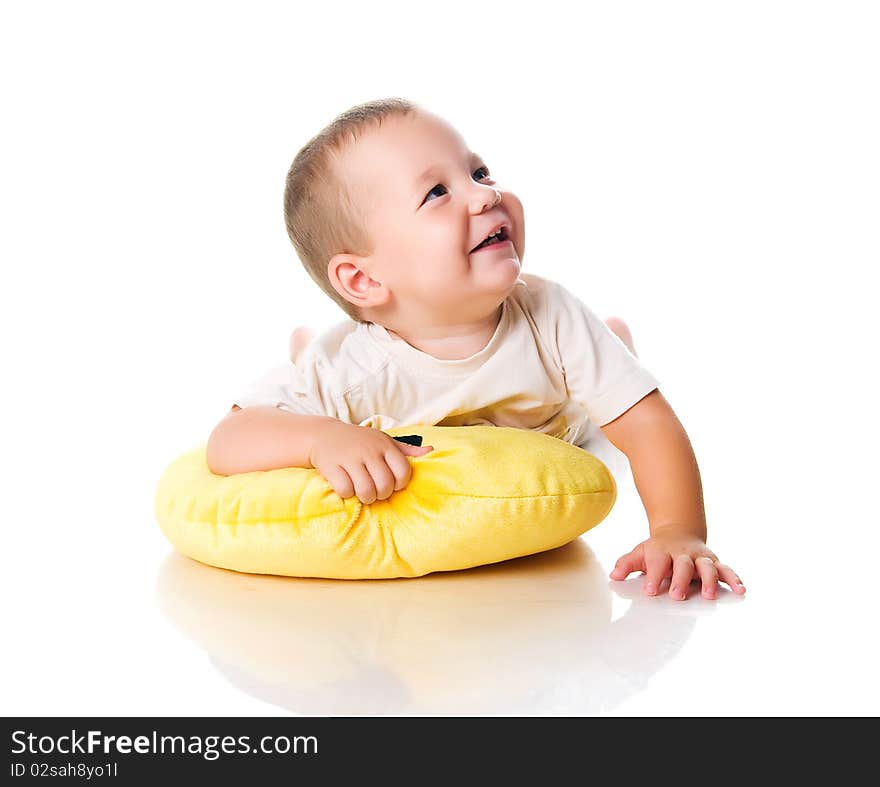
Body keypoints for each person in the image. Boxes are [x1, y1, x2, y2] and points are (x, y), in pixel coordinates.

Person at [206, 98, 745, 602]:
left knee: (603, 378)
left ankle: (615, 341)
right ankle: (299, 346)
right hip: (341, 366)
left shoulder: (549, 315)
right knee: (308, 368)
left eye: (478, 172)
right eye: (437, 193)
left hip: (559, 421)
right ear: (363, 280)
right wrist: (323, 436)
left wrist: (677, 531)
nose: (486, 195)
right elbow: (229, 441)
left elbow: (647, 424)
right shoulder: (348, 368)